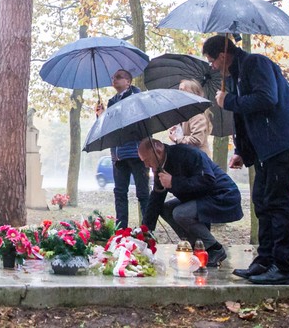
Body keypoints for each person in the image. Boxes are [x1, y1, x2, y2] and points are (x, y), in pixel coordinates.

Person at [205, 34, 289, 286]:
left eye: (212, 61)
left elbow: (267, 99)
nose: (212, 66)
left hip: (287, 141)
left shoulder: (255, 63)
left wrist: (229, 101)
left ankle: (283, 268)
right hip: (269, 148)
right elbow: (245, 119)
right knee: (261, 201)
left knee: (277, 203)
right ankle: (265, 261)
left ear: (223, 56)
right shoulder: (235, 76)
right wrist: (242, 151)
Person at [138, 139, 241, 267]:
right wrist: (145, 233)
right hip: (201, 198)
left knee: (180, 213)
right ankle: (195, 246)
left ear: (157, 150)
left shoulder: (188, 153)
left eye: (146, 160)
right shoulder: (160, 167)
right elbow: (156, 199)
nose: (146, 165)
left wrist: (174, 182)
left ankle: (214, 248)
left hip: (222, 195)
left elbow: (208, 180)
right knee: (166, 209)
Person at [95, 69, 149, 230]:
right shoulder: (112, 101)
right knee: (119, 193)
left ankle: (148, 229)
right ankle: (121, 230)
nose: (114, 79)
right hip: (118, 156)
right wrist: (101, 116)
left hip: (137, 153)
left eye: (119, 77)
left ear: (128, 81)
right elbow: (109, 129)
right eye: (113, 77)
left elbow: (134, 122)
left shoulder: (137, 98)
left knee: (143, 193)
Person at [168, 79, 213, 158]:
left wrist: (177, 139)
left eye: (182, 90)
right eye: (179, 90)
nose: (178, 93)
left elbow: (196, 140)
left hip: (199, 161)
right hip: (189, 159)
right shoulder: (185, 113)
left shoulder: (196, 115)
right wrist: (176, 131)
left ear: (192, 94)